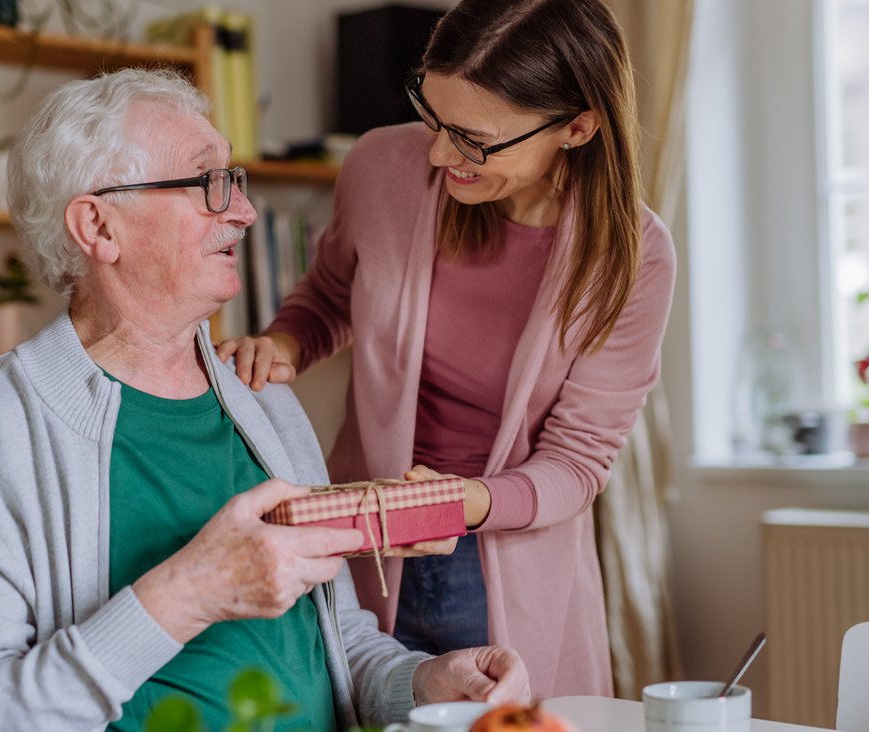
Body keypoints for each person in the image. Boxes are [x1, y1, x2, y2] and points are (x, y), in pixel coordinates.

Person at [0, 68, 529, 732]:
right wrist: (185, 594)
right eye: (206, 184)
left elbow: (336, 646)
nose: (245, 212)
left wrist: (425, 683)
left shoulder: (264, 402)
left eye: (235, 182)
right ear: (99, 226)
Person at [217, 0, 675, 700]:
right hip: (363, 542)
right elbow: (331, 292)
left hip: (504, 565)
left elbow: (578, 463)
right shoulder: (380, 166)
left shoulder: (634, 258)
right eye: (430, 116)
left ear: (577, 127)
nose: (436, 154)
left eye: (472, 139)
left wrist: (459, 503)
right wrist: (282, 344)